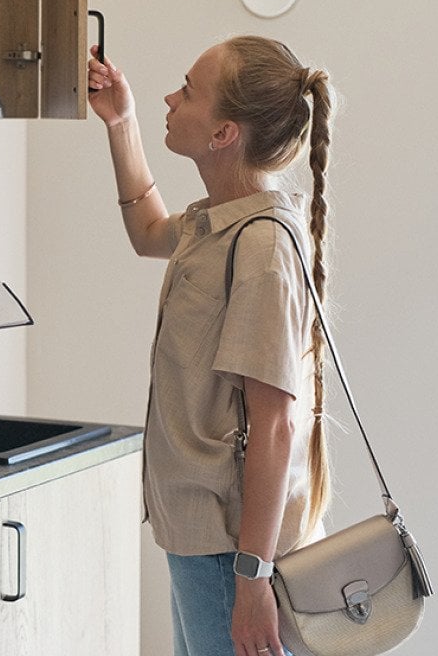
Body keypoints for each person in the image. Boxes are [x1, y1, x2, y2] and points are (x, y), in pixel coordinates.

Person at [86, 36, 335, 656]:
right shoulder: (218, 220)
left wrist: (251, 582)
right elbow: (148, 231)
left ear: (224, 132)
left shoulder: (262, 248)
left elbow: (274, 424)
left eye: (188, 90)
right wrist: (122, 121)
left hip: (233, 551)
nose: (171, 97)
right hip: (207, 542)